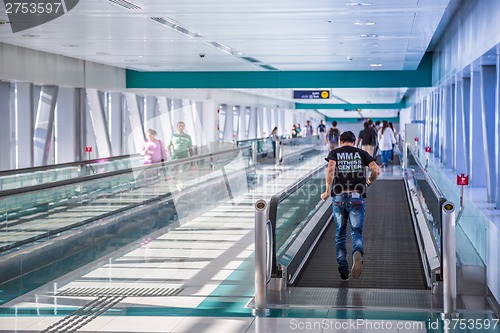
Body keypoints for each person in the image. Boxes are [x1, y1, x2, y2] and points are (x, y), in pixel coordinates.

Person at [320, 131, 380, 280]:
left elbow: (330, 170)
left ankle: (343, 270)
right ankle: (357, 252)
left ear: (341, 141)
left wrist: (327, 191)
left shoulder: (335, 153)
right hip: (356, 197)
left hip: (339, 197)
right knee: (356, 232)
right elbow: (376, 170)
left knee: (340, 234)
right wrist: (369, 181)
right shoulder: (361, 153)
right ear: (354, 142)